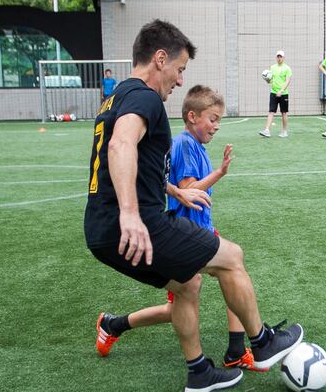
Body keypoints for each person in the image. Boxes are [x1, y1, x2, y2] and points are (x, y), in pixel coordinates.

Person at [84, 20, 303, 392]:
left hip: (100, 230)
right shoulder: (146, 97)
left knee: (188, 283)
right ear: (160, 58)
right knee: (232, 257)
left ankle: (199, 372)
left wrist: (174, 191)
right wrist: (132, 214)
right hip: (135, 224)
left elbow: (132, 159)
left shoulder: (117, 95)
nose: (180, 80)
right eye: (180, 69)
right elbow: (120, 148)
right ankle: (263, 343)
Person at [96, 85, 264, 373]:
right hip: (185, 232)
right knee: (196, 295)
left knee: (232, 277)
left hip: (200, 228)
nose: (217, 126)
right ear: (192, 116)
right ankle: (114, 324)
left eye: (219, 120)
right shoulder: (185, 144)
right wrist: (219, 174)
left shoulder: (194, 144)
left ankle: (236, 350)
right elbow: (188, 189)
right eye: (212, 119)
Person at [258, 50, 292, 138]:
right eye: (278, 56)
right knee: (271, 111)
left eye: (281, 57)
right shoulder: (272, 67)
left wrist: (281, 90)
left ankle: (284, 131)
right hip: (273, 92)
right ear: (276, 57)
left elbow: (288, 81)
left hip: (283, 93)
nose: (279, 58)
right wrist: (267, 79)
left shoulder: (287, 68)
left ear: (283, 58)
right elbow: (271, 80)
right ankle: (267, 130)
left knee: (284, 112)